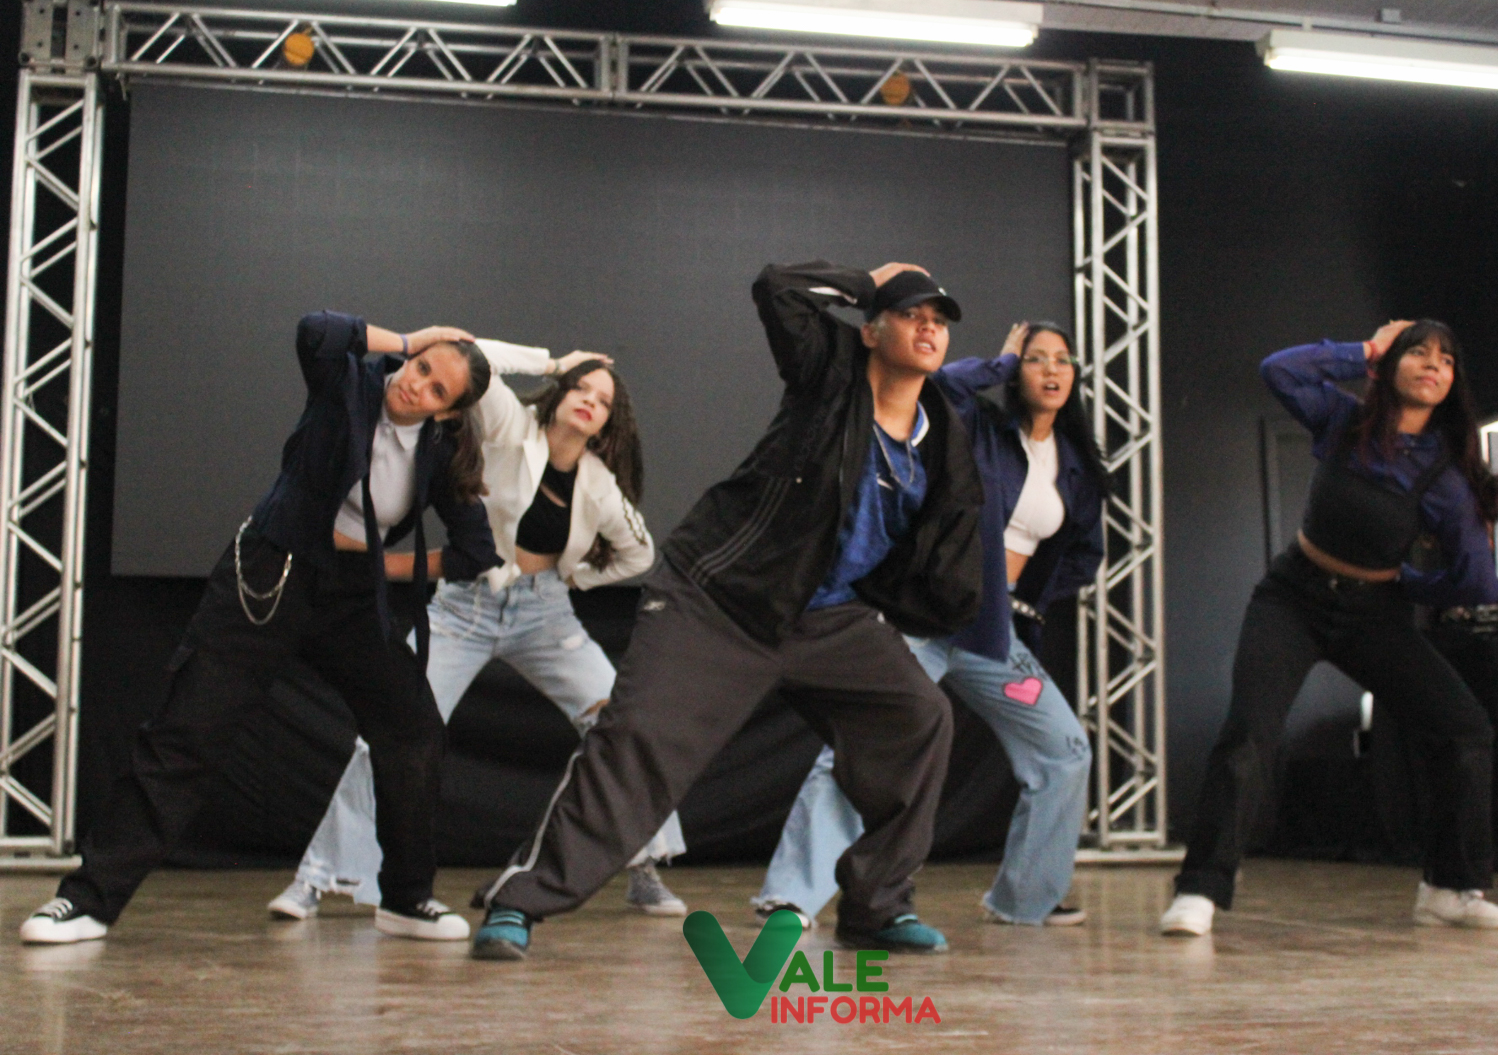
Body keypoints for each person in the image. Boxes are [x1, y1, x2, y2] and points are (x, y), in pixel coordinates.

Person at [468, 260, 985, 960]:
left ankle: (877, 905)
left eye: (938, 320)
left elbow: (946, 540)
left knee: (921, 719)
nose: (927, 328)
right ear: (869, 330)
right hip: (720, 601)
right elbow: (779, 289)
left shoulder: (943, 436)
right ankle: (519, 902)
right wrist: (867, 281)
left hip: (827, 618)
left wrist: (919, 606)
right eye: (909, 313)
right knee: (636, 741)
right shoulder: (829, 374)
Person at [20, 312, 501, 946]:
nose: (416, 385)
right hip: (271, 575)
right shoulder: (348, 384)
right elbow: (317, 330)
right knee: (186, 732)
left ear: (448, 412)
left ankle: (407, 898)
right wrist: (414, 338)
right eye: (420, 368)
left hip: (353, 600)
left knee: (414, 734)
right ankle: (86, 901)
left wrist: (376, 562)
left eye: (437, 390)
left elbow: (474, 552)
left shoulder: (440, 451)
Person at [267, 345, 688, 922]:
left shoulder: (599, 485)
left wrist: (573, 577)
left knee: (622, 724)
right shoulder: (511, 424)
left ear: (610, 423)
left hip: (546, 618)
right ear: (560, 394)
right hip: (464, 609)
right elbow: (471, 356)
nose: (590, 401)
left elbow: (638, 554)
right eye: (580, 387)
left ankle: (642, 867)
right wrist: (549, 363)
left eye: (603, 401)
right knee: (392, 731)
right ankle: (317, 878)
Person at [1160, 319, 1498, 937]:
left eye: (1446, 360)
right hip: (1291, 598)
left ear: (1452, 384)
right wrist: (1365, 350)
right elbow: (1279, 370)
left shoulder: (1445, 475)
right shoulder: (1344, 421)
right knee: (1249, 732)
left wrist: (1410, 583)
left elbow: (1478, 582)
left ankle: (1450, 888)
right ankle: (1200, 889)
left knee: (1465, 728)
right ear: (1389, 365)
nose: (1433, 365)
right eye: (1419, 352)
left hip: (1375, 615)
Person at [751, 320, 1106, 930]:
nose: (1051, 370)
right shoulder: (979, 429)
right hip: (924, 618)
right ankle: (789, 896)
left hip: (993, 635)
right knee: (869, 741)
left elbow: (1083, 552)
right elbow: (940, 387)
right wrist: (997, 364)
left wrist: (1029, 601)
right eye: (1035, 359)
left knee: (1065, 752)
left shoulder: (1074, 464)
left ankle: (1025, 900)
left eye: (1063, 360)